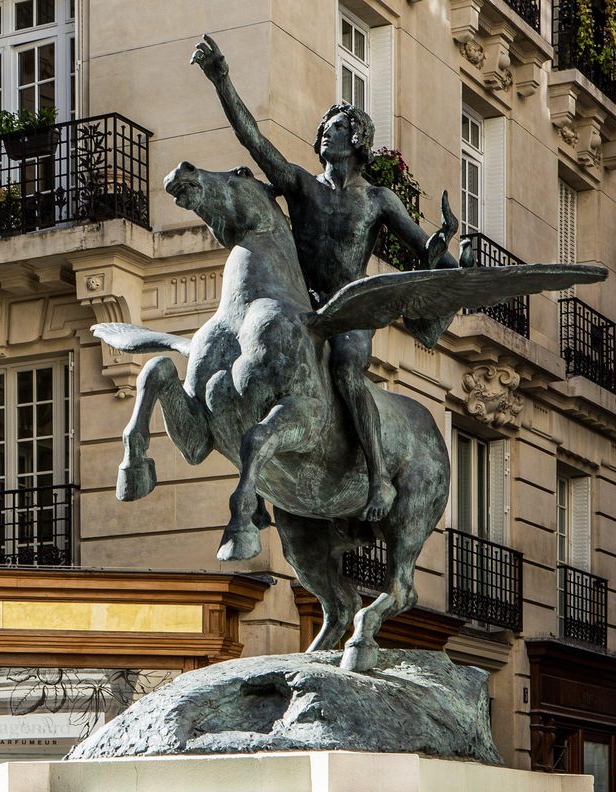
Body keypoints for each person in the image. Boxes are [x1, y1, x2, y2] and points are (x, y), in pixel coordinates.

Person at [191, 34, 457, 522]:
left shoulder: (378, 200)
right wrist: (221, 79)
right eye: (323, 130)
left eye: (334, 129)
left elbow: (429, 253)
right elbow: (254, 139)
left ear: (357, 140)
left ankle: (379, 476)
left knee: (345, 371)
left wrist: (441, 248)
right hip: (299, 303)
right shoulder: (299, 185)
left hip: (348, 311)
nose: (323, 137)